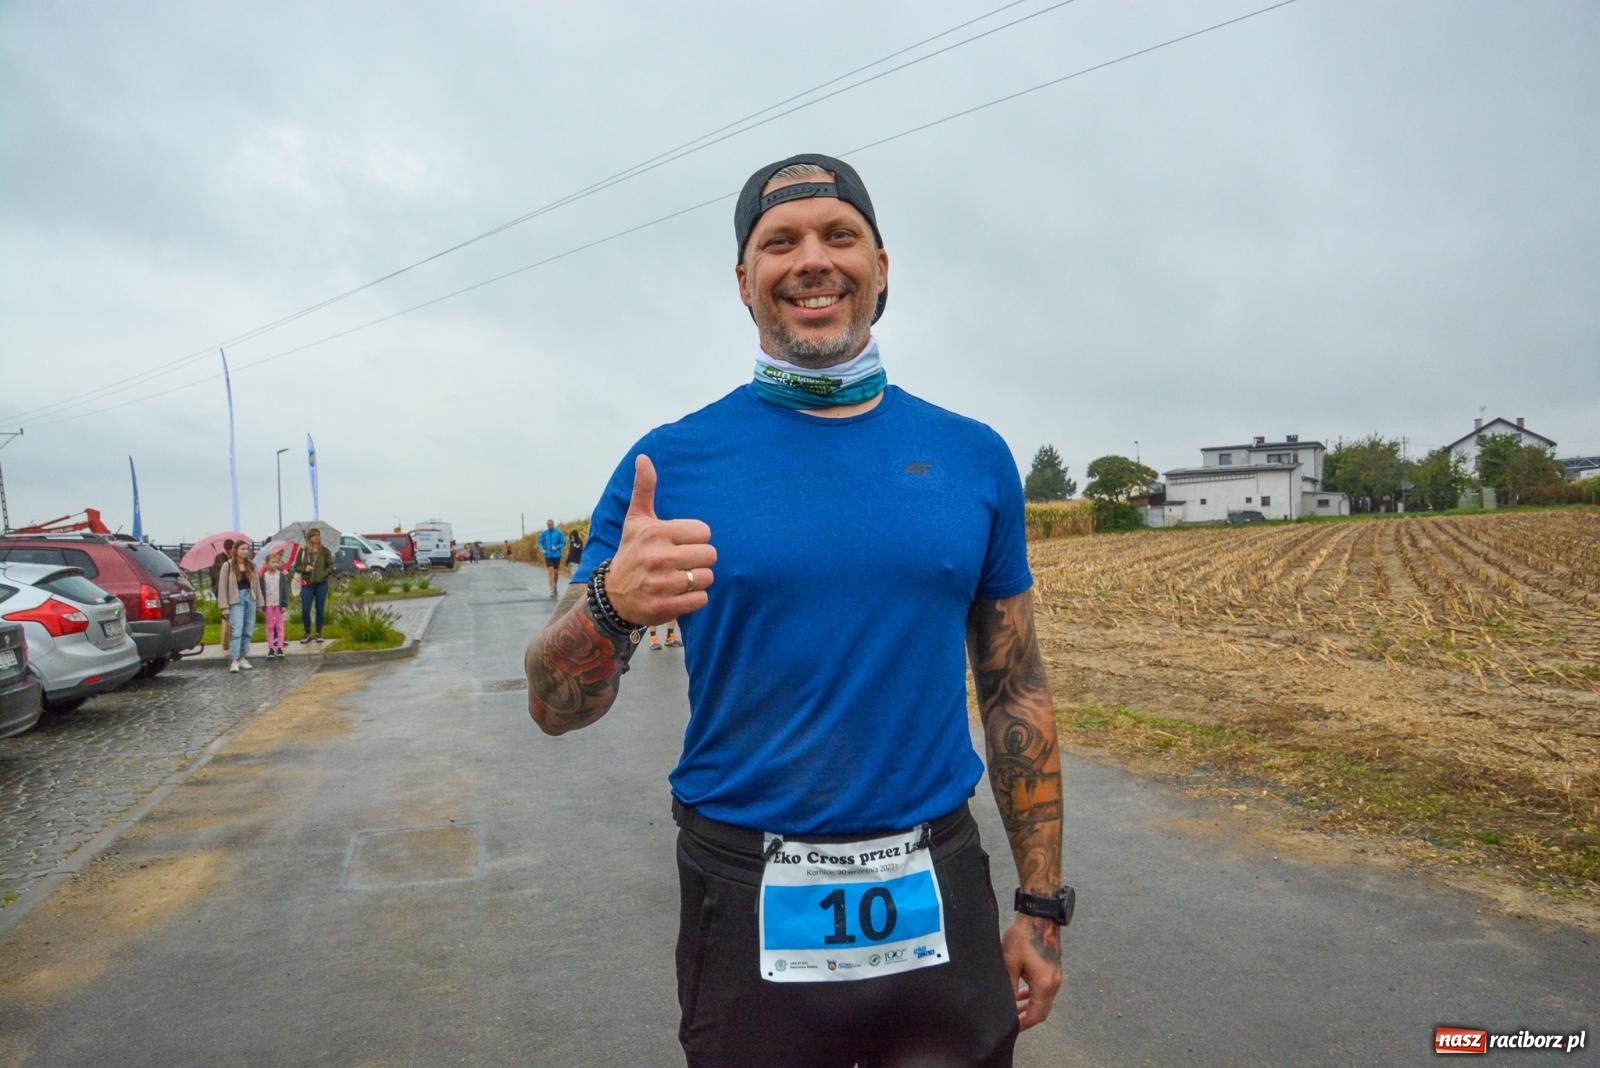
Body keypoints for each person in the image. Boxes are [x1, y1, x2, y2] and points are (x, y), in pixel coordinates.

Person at [523, 153, 1066, 1066]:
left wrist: (1042, 908)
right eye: (780, 243)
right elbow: (552, 707)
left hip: (936, 880)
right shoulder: (668, 464)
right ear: (745, 281)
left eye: (838, 235)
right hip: (745, 886)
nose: (812, 259)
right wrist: (611, 606)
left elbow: (1016, 691)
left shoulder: (973, 457)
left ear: (880, 266)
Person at [217, 540, 257, 673]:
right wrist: (224, 607)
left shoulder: (251, 565)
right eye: (242, 549)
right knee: (237, 630)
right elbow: (222, 587)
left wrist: (260, 603)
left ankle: (242, 657)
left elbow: (256, 585)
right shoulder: (227, 565)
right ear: (236, 550)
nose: (245, 551)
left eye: (247, 549)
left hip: (250, 598)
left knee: (248, 630)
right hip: (236, 599)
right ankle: (234, 659)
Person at [296, 527, 334, 644]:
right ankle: (307, 633)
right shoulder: (303, 551)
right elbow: (296, 567)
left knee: (320, 609)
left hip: (321, 584)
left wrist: (323, 574)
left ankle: (318, 633)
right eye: (313, 535)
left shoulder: (325, 551)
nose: (316, 537)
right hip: (307, 584)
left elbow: (330, 567)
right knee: (305, 609)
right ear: (309, 538)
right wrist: (305, 568)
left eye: (318, 534)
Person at [259, 550, 290, 658]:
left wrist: (284, 604)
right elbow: (261, 591)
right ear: (267, 564)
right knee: (270, 626)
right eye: (272, 562)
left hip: (278, 604)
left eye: (277, 562)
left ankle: (280, 647)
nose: (275, 564)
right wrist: (261, 605)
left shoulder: (281, 576)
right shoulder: (263, 577)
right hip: (268, 605)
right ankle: (271, 648)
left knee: (279, 626)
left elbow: (285, 590)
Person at [211, 538, 236, 654]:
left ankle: (234, 639)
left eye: (231, 551)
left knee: (235, 616)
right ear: (225, 550)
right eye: (228, 551)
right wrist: (224, 571)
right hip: (222, 591)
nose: (230, 553)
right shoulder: (219, 559)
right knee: (227, 616)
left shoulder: (236, 559)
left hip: (234, 591)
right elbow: (214, 575)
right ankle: (226, 640)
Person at [536, 519, 566, 599]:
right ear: (547, 525)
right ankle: (552, 590)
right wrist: (542, 549)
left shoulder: (558, 533)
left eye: (551, 524)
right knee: (550, 572)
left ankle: (555, 586)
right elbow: (540, 542)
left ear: (553, 524)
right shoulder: (545, 533)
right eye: (548, 525)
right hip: (548, 555)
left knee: (555, 573)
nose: (549, 526)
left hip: (557, 555)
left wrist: (556, 547)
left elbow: (563, 542)